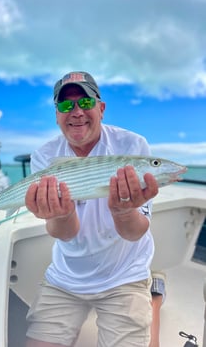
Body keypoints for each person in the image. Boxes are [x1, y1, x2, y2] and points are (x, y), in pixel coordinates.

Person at [25, 71, 162, 347]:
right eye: (65, 105)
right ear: (56, 115)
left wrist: (123, 212)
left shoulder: (132, 146)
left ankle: (154, 300)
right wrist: (61, 214)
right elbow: (63, 232)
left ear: (101, 108)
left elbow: (135, 233)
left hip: (125, 273)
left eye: (85, 103)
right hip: (66, 277)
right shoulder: (44, 156)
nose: (76, 112)